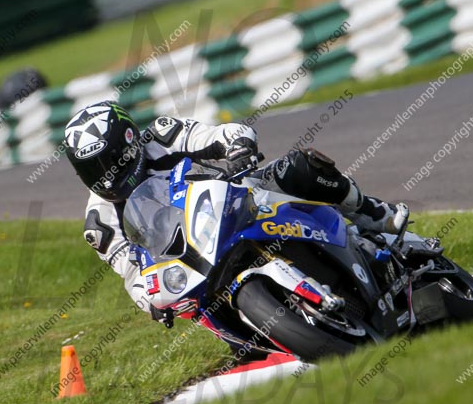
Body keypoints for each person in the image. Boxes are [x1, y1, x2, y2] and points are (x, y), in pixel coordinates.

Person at [64, 101, 408, 327]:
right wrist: (151, 302)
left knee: (298, 168)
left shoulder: (162, 136)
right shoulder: (100, 224)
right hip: (191, 260)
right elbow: (132, 275)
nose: (106, 173)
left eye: (110, 160)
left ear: (129, 140)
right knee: (230, 337)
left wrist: (238, 149)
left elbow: (223, 133)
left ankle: (373, 213)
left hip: (231, 198)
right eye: (92, 168)